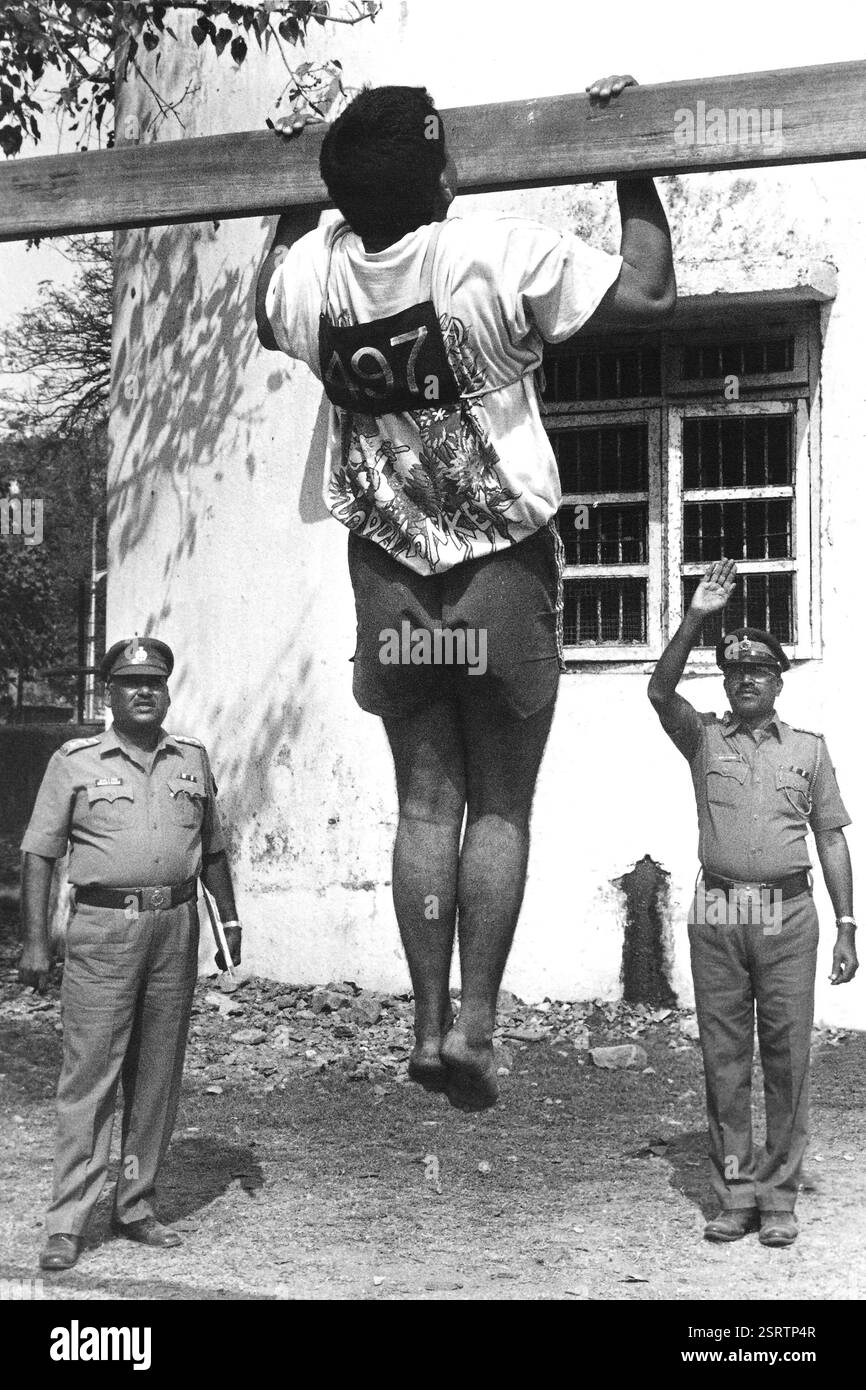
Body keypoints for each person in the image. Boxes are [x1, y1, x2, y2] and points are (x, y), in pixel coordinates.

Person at [256, 77, 675, 1109]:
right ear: (439, 171)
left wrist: (289, 188)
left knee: (424, 802)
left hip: (395, 580)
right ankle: (479, 1025)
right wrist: (628, 153)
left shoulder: (311, 276)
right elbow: (648, 292)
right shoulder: (492, 252)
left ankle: (426, 1022)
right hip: (497, 576)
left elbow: (264, 298)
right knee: (498, 802)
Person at [648, 559, 857, 1247]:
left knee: (788, 1056)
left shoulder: (809, 751)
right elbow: (658, 689)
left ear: (777, 680)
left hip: (788, 914)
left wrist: (847, 926)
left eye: (758, 672)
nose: (745, 681)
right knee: (724, 1058)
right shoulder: (702, 739)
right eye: (734, 672)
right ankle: (736, 1194)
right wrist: (696, 615)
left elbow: (830, 840)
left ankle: (779, 1198)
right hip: (721, 912)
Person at [18, 636, 243, 1271]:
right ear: (109, 693)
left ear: (166, 691)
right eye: (128, 682)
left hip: (175, 926)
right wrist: (36, 942)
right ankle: (67, 1221)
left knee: (157, 1074)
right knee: (91, 1075)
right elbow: (40, 854)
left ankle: (136, 1204)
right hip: (102, 930)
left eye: (154, 682)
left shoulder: (191, 759)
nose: (143, 691)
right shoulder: (75, 761)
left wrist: (227, 920)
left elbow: (214, 847)